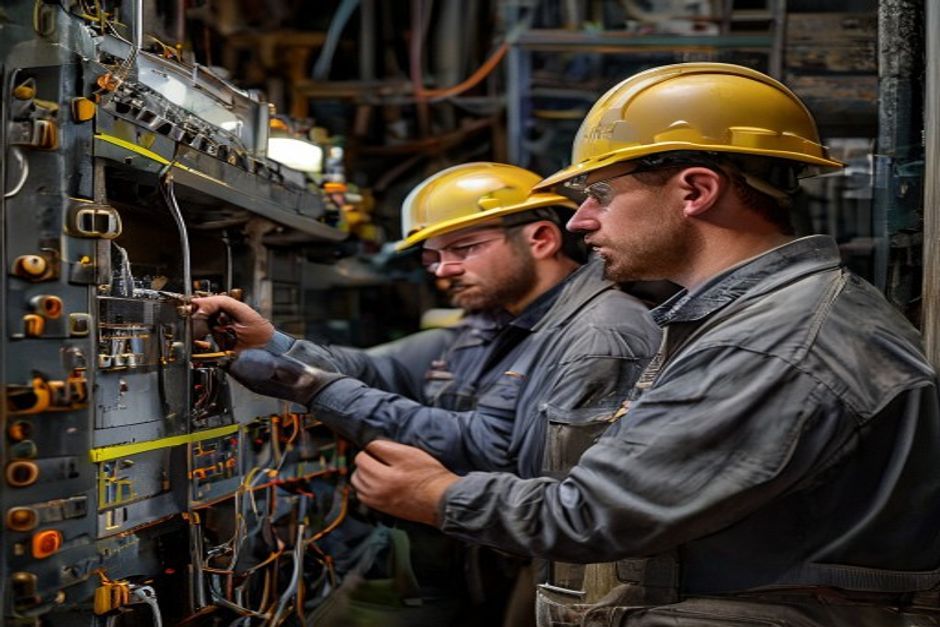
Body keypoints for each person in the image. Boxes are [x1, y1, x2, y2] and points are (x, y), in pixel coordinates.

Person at [346, 63, 940, 626]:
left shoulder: (775, 341)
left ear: (695, 190)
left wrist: (436, 494)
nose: (580, 221)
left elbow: (595, 515)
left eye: (599, 195)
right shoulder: (752, 316)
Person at [192, 162, 661, 626]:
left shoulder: (602, 332)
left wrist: (309, 386)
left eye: (465, 248)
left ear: (541, 238)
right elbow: (380, 368)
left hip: (530, 567)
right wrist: (271, 344)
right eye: (431, 257)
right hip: (468, 559)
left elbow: (490, 450)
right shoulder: (494, 321)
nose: (444, 270)